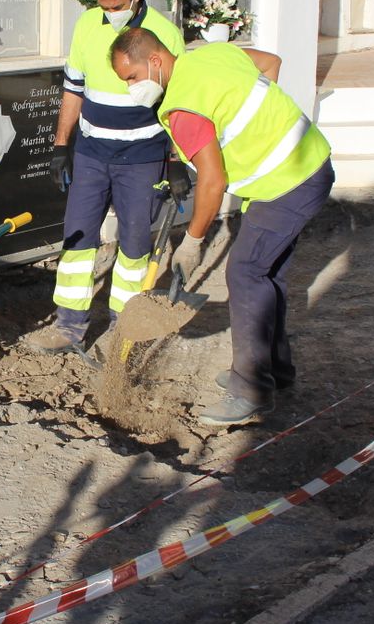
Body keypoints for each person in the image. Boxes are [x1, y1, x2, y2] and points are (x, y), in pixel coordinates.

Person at [109, 26, 335, 427]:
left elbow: (212, 183)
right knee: (269, 275)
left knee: (245, 273)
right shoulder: (209, 56)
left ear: (156, 61)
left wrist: (193, 241)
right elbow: (270, 64)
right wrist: (255, 132)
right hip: (308, 162)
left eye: (132, 77)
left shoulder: (183, 108)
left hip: (287, 184)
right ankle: (273, 371)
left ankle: (250, 390)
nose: (132, 88)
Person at [23, 0, 187, 354]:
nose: (111, 15)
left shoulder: (165, 34)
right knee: (77, 238)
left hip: (143, 157)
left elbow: (182, 100)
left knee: (133, 246)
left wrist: (178, 159)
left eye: (117, 7)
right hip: (93, 154)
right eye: (104, 7)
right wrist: (62, 146)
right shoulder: (86, 25)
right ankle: (69, 327)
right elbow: (73, 89)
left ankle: (123, 331)